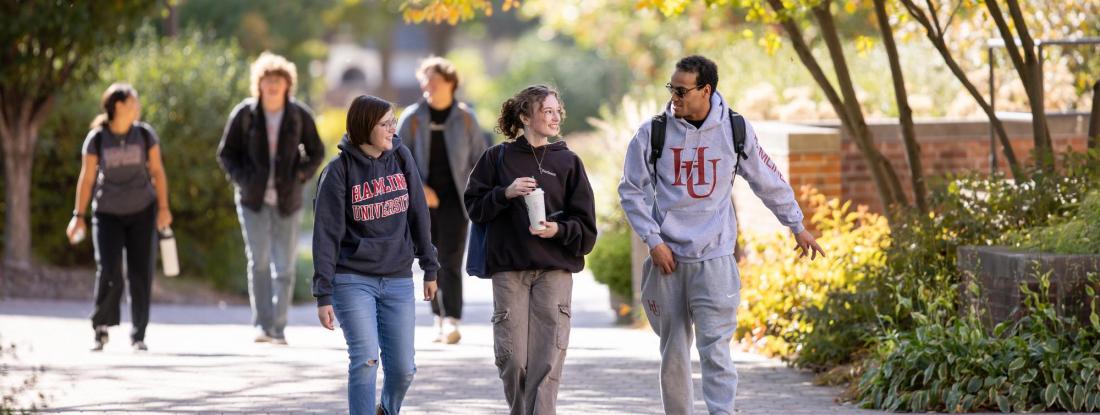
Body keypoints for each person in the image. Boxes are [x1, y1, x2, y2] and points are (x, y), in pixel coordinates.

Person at [618, 55, 826, 414]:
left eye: (682, 90)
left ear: (706, 90)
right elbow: (630, 191)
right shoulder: (654, 132)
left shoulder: (734, 129)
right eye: (672, 88)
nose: (674, 97)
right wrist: (654, 241)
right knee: (674, 353)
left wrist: (796, 224)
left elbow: (767, 179)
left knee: (716, 350)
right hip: (668, 260)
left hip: (715, 259)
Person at [464, 85, 597, 415]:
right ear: (525, 117)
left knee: (547, 361)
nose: (554, 118)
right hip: (509, 271)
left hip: (554, 270)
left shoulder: (568, 162)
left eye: (557, 111)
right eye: (546, 111)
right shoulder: (496, 158)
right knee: (512, 359)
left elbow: (586, 229)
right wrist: (504, 193)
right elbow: (474, 208)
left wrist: (558, 229)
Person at [313, 95, 439, 415]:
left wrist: (430, 266)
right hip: (352, 279)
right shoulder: (338, 172)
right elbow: (326, 236)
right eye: (385, 124)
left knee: (403, 369)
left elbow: (418, 213)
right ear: (364, 127)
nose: (393, 130)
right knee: (366, 359)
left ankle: (386, 409)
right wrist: (323, 292)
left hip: (397, 278)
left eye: (393, 123)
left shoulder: (401, 157)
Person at [217, 51, 325, 345]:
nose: (273, 85)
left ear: (287, 84)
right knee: (259, 262)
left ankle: (278, 328)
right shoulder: (246, 114)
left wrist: (300, 176)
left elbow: (317, 152)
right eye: (268, 80)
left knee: (285, 266)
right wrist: (244, 180)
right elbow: (226, 154)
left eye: (279, 80)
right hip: (252, 200)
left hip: (288, 201)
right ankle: (262, 326)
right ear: (259, 84)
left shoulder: (298, 115)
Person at [66, 83, 173, 352]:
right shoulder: (97, 138)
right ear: (119, 106)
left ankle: (139, 334)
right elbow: (87, 178)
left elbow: (158, 172)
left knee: (141, 272)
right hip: (107, 213)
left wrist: (163, 208)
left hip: (143, 211)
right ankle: (101, 327)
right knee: (109, 268)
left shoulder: (145, 135)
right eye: (134, 101)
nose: (138, 106)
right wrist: (78, 215)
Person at [396, 56, 489, 344]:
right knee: (429, 260)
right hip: (421, 200)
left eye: (435, 80)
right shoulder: (411, 118)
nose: (429, 85)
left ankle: (452, 319)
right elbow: (397, 160)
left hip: (457, 200)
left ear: (450, 82)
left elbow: (481, 160)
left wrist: (477, 192)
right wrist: (419, 188)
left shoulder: (465, 118)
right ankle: (437, 317)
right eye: (425, 80)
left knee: (452, 258)